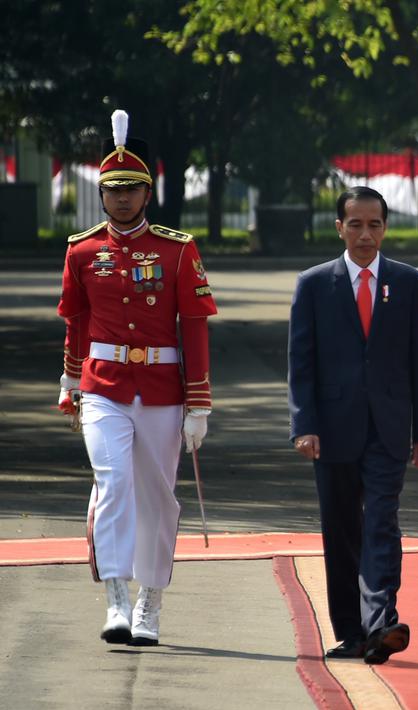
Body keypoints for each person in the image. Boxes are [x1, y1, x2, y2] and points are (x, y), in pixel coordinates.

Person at [57, 110, 217, 646]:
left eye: (132, 188)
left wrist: (199, 402)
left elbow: (193, 327)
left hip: (164, 390)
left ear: (148, 193)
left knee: (157, 495)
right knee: (113, 483)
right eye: (112, 189)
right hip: (103, 386)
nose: (121, 198)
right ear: (101, 193)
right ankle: (117, 598)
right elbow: (76, 322)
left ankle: (152, 600)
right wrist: (70, 379)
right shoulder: (81, 251)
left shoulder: (177, 250)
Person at [288, 186, 418, 665]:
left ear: (385, 227)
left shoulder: (409, 282)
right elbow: (301, 364)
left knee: (381, 523)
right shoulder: (314, 284)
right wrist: (303, 425)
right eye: (356, 224)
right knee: (341, 528)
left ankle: (381, 624)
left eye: (374, 224)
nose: (365, 234)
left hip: (390, 426)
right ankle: (350, 632)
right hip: (330, 428)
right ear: (339, 227)